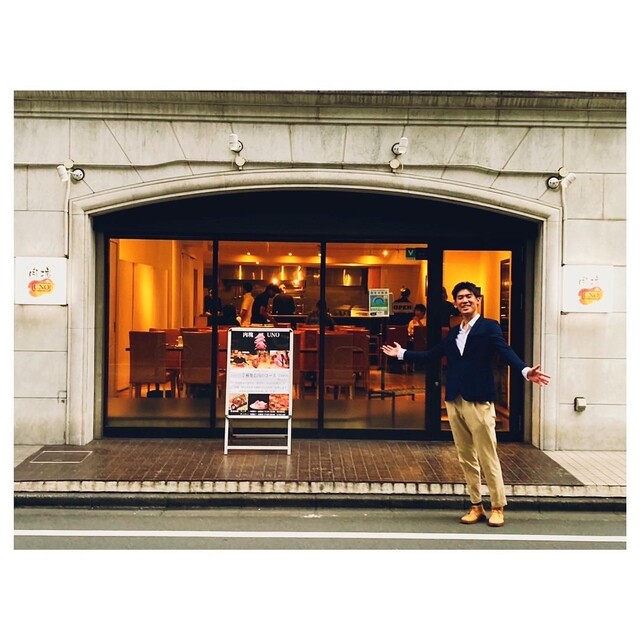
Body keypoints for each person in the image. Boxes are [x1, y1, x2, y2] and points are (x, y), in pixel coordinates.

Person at [382, 281, 550, 527]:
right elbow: (431, 355)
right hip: (455, 399)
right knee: (465, 456)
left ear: (477, 300)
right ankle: (475, 505)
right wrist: (401, 354)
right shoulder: (454, 333)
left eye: (469, 296)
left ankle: (497, 506)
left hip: (479, 400)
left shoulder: (489, 327)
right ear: (455, 303)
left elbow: (505, 351)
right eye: (460, 297)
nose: (465, 301)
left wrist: (525, 371)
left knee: (487, 455)